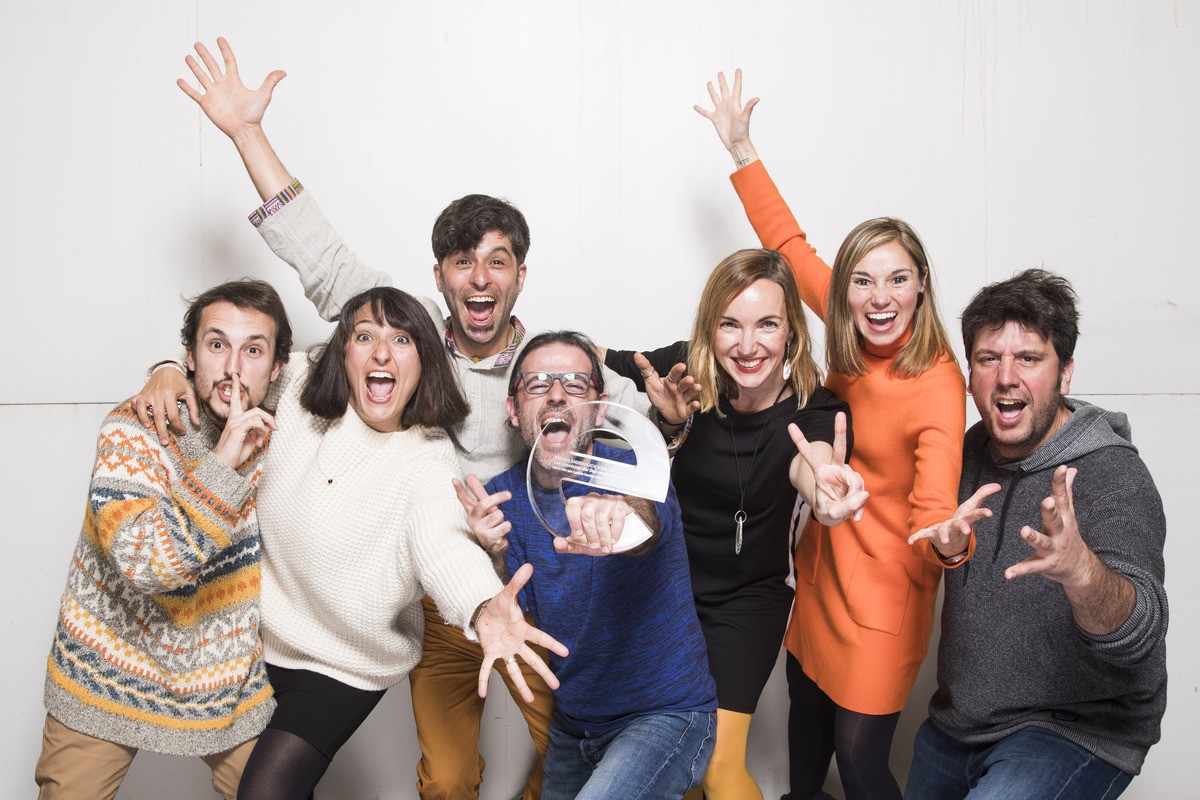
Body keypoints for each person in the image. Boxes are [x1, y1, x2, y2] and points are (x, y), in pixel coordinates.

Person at [162, 38, 650, 799]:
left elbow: (639, 422)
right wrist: (248, 135)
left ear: (521, 275)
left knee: (577, 756)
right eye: (462, 262)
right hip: (440, 595)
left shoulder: (554, 368)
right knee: (447, 780)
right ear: (440, 279)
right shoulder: (406, 336)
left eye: (497, 261)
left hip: (535, 591)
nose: (479, 277)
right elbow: (318, 257)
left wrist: (671, 417)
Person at [140, 286, 566, 800]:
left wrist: (481, 605)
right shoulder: (298, 387)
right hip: (259, 642)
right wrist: (168, 368)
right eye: (365, 337)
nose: (382, 353)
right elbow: (239, 365)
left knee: (264, 793)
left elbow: (444, 544)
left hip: (345, 663)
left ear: (424, 361)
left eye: (402, 340)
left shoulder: (427, 460)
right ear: (342, 352)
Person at [694, 69, 967, 800]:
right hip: (821, 576)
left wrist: (948, 541)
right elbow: (786, 243)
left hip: (886, 593)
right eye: (863, 280)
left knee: (861, 759)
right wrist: (743, 149)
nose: (879, 298)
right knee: (806, 743)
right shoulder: (848, 325)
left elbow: (935, 505)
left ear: (921, 286)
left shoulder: (939, 382)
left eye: (898, 279)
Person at [604, 248, 868, 800]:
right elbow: (595, 358)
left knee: (717, 765)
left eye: (767, 324)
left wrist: (825, 492)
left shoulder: (817, 412)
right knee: (667, 754)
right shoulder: (682, 374)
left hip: (750, 601)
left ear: (791, 333)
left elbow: (812, 464)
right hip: (666, 591)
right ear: (709, 328)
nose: (748, 346)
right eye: (730, 325)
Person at [903, 269, 1168, 800]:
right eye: (988, 359)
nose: (1006, 377)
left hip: (1073, 733)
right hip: (959, 726)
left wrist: (1081, 571)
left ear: (1065, 373)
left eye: (1028, 358)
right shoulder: (964, 453)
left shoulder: (1113, 474)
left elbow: (1142, 632)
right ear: (970, 376)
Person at [35, 279, 292, 800]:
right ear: (190, 357)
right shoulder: (133, 429)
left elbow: (364, 357)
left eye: (253, 350)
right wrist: (222, 463)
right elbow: (144, 563)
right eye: (216, 345)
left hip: (223, 682)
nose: (233, 368)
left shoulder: (282, 425)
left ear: (277, 368)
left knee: (278, 791)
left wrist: (166, 368)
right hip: (106, 670)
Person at [456, 330, 718, 799]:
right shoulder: (501, 498)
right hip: (574, 727)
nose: (557, 394)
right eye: (537, 384)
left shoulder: (639, 471)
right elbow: (514, 601)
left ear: (599, 409)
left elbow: (647, 520)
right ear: (513, 410)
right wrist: (492, 553)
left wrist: (618, 516)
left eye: (575, 384)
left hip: (666, 716)